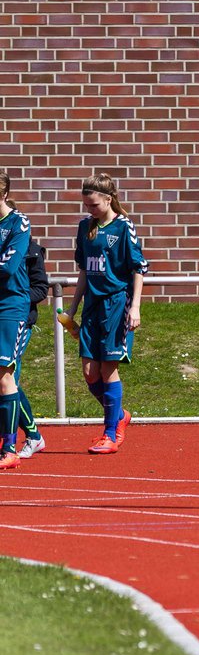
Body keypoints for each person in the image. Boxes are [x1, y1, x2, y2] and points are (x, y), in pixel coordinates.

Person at [64, 173, 149, 455]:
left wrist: (134, 306)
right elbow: (85, 272)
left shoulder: (124, 227)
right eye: (86, 205)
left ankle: (110, 434)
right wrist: (73, 308)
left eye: (94, 205)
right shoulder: (84, 228)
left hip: (117, 303)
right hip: (92, 305)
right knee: (90, 373)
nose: (89, 210)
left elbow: (138, 268)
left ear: (108, 199)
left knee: (107, 368)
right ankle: (120, 415)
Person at [0, 171, 33, 469]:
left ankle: (9, 448)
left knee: (4, 373)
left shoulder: (18, 223)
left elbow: (9, 267)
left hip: (10, 305)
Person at [16, 235, 50, 458]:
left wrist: (14, 298)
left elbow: (41, 289)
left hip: (18, 320)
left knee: (6, 380)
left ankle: (33, 435)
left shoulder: (31, 250)